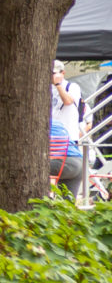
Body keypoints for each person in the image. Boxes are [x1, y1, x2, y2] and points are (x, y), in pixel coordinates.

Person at [50, 61, 86, 200]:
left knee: (65, 182)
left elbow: (68, 101)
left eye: (54, 73)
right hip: (52, 134)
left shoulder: (72, 86)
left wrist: (58, 85)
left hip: (67, 139)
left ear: (62, 73)